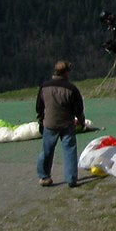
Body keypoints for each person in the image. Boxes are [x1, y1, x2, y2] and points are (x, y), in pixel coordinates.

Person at [36, 60, 86, 188]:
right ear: (66, 73)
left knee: (47, 151)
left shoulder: (44, 86)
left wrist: (41, 120)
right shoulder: (71, 88)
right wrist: (81, 121)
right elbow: (78, 108)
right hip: (67, 124)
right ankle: (71, 179)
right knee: (69, 150)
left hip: (50, 123)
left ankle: (44, 176)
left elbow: (39, 106)